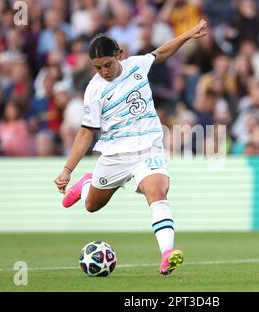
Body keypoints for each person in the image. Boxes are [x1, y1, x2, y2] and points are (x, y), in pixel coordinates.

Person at [54, 19, 208, 276]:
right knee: (92, 206)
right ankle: (87, 184)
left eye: (107, 64)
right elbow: (85, 133)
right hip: (114, 154)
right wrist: (67, 170)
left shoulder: (137, 64)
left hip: (148, 149)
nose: (103, 71)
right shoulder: (94, 91)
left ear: (119, 56)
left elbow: (163, 51)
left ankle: (167, 254)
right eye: (97, 67)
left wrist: (188, 35)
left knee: (157, 192)